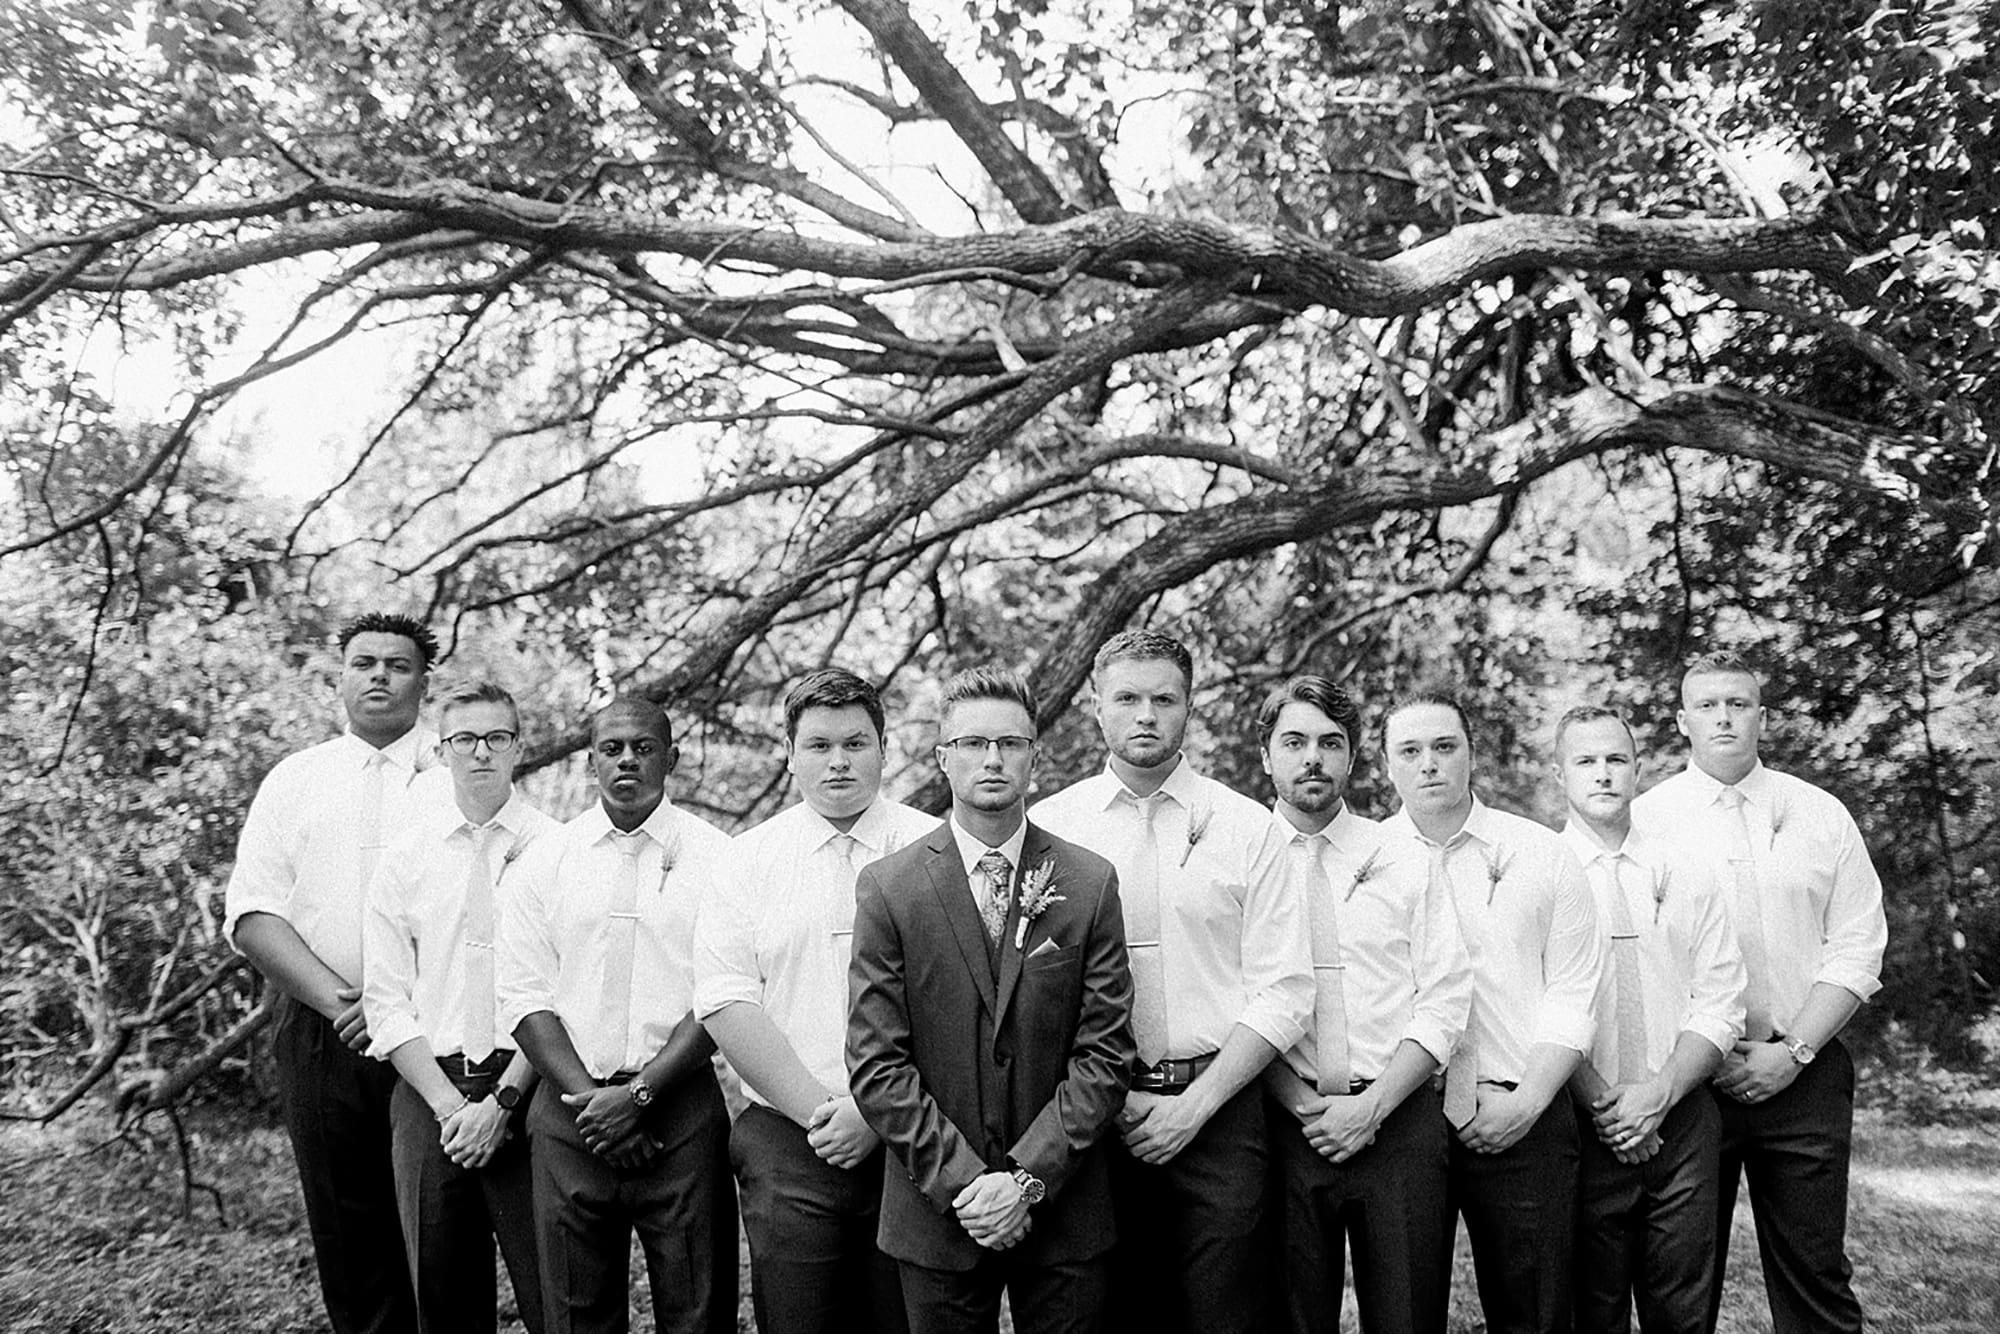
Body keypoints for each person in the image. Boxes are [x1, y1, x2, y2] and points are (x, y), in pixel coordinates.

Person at [1030, 629, 1312, 1334]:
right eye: (1127, 698)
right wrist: (1109, 1098)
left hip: (1221, 1107)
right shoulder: (1049, 829)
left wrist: (1197, 1105)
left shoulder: (1249, 828)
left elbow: (1285, 988)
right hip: (1094, 1114)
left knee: (1228, 1313)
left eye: (1165, 698)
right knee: (1116, 1313)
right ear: (1096, 705)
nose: (1146, 715)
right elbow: (1033, 993)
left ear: (1191, 706)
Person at [846, 667, 1135, 1334]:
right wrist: (969, 1187)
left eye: (1011, 742)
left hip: (1065, 1211)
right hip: (936, 1212)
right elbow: (876, 1063)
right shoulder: (889, 889)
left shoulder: (1088, 883)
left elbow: (1106, 1052)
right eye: (973, 743)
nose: (993, 758)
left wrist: (1027, 1179)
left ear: (1036, 756)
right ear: (943, 757)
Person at [1630, 653, 1887, 1334]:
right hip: (1690, 1081)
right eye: (1708, 705)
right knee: (1678, 1282)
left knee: (1815, 1274)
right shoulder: (1645, 821)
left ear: (1762, 716)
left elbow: (1859, 947)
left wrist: (1794, 1050)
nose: (1724, 716)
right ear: (1682, 720)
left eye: (1739, 703)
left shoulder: (1820, 814)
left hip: (1803, 1070)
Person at [696, 668, 938, 1334]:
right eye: (820, 745)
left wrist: (876, 1111)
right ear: (791, 753)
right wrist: (822, 1112)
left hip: (916, 1133)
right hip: (789, 1138)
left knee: (909, 1320)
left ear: (885, 749)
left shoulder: (934, 849)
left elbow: (954, 1000)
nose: (838, 761)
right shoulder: (746, 861)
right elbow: (726, 1001)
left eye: (856, 743)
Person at [226, 611, 448, 1334]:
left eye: (398, 663)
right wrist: (342, 1002)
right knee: (348, 1232)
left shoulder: (455, 779)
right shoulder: (297, 780)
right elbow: (254, 912)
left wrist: (400, 1005)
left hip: (438, 1031)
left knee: (440, 1225)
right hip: (326, 1031)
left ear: (424, 681)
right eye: (363, 663)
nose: (379, 675)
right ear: (341, 676)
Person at [497, 696, 738, 1334]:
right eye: (611, 748)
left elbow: (724, 993)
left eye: (643, 747)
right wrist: (592, 1104)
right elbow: (523, 995)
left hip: (680, 1112)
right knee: (575, 1313)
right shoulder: (545, 861)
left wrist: (639, 1095)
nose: (626, 759)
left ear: (672, 758)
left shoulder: (720, 859)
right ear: (590, 762)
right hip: (569, 1113)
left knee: (697, 1309)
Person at [1379, 692, 1601, 1334]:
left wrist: (1528, 1103)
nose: (1429, 765)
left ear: (1472, 752)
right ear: (1386, 766)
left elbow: (1574, 991)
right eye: (1410, 751)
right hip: (1405, 1115)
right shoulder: (1362, 861)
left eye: (1445, 747)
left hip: (1522, 1110)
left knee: (1534, 1313)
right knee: (1404, 1314)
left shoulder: (1542, 853)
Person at [1256, 676, 1471, 1334]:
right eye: (1293, 742)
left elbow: (1445, 999)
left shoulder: (1404, 857)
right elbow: (1228, 1000)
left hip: (1398, 1120)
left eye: (1331, 742)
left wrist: (1370, 1108)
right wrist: (1305, 1106)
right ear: (1265, 754)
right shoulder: (1239, 859)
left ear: (1354, 757)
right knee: (1293, 1318)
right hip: (1284, 1124)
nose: (1312, 757)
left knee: (1407, 1316)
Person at [363, 680, 556, 1334]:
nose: (480, 752)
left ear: (518, 747)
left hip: (530, 1087)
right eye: (464, 739)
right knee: (442, 1303)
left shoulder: (559, 850)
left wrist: (500, 1103)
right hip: (430, 1092)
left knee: (555, 1296)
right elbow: (386, 1001)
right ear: (442, 749)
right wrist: (454, 1110)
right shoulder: (405, 858)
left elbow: (561, 993)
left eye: (496, 738)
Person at [1555, 705, 1745, 1334]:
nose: (1603, 774)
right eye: (1586, 761)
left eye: (1616, 759)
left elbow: (1721, 1001)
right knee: (1593, 1311)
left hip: (1683, 1117)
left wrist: (1657, 1096)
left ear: (1637, 769)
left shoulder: (1688, 869)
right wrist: (1610, 1109)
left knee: (1684, 1312)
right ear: (1560, 775)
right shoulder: (1538, 873)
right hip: (1582, 1121)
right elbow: (1531, 1008)